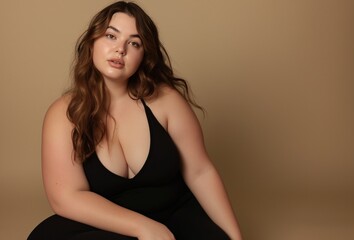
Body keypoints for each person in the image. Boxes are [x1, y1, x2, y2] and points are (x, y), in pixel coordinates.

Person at [27, 1, 242, 239]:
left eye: (134, 43)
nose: (120, 49)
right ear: (91, 43)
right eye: (111, 36)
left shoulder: (167, 101)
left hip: (174, 217)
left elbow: (200, 172)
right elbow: (66, 197)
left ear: (143, 55)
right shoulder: (64, 114)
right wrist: (144, 228)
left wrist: (235, 238)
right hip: (107, 225)